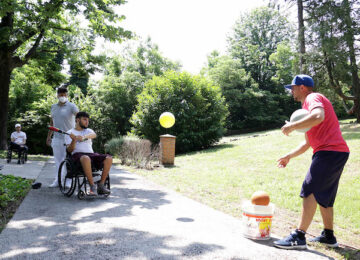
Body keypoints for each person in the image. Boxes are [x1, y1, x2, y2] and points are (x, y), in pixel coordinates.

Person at [274, 75, 350, 250]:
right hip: (336, 152)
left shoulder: (312, 98)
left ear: (302, 87)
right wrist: (289, 156)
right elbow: (308, 142)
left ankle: (299, 236)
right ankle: (328, 236)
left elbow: (319, 115)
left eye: (292, 87)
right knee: (325, 196)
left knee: (310, 189)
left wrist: (292, 126)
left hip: (329, 151)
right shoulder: (305, 108)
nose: (291, 91)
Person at [65, 112, 112, 196]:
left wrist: (83, 137)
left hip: (91, 155)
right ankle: (92, 186)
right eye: (84, 120)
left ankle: (101, 185)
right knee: (86, 158)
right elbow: (69, 150)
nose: (87, 122)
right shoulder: (70, 132)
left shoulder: (88, 130)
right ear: (77, 120)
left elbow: (93, 135)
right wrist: (74, 140)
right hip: (77, 156)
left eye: (88, 120)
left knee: (109, 158)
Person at [47, 87, 79, 187]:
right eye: (61, 95)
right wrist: (49, 136)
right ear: (57, 95)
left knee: (69, 160)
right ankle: (58, 180)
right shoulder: (53, 107)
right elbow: (52, 122)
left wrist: (78, 132)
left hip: (69, 138)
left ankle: (68, 181)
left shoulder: (71, 106)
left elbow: (79, 117)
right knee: (58, 161)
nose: (63, 97)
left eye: (64, 95)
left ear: (67, 95)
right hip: (56, 138)